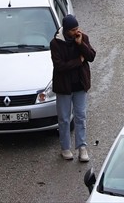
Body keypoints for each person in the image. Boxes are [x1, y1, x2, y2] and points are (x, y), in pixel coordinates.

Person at [52, 13, 96, 162]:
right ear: (66, 31)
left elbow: (91, 56)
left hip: (80, 85)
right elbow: (60, 66)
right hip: (64, 87)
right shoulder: (56, 43)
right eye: (73, 30)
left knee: (81, 116)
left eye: (78, 28)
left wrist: (80, 44)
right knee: (64, 119)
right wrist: (78, 61)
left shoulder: (82, 38)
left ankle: (82, 148)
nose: (77, 32)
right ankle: (65, 148)